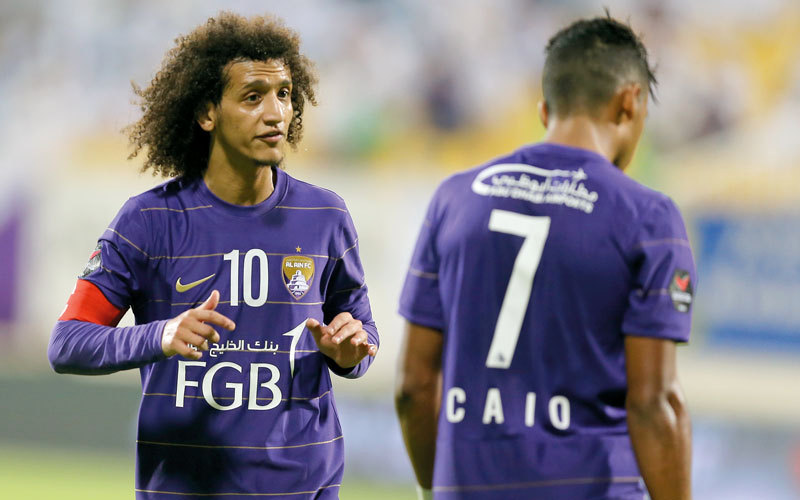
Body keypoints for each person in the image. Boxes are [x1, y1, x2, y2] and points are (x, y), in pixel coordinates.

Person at [48, 13, 379, 499]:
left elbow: (362, 332)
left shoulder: (325, 215)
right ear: (207, 114)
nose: (276, 113)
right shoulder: (149, 221)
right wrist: (161, 335)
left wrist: (351, 354)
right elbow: (67, 342)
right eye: (253, 96)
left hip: (303, 487)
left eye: (284, 94)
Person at [396, 15, 693, 500]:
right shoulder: (648, 218)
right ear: (630, 102)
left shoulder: (453, 199)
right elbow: (653, 403)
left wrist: (435, 489)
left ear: (544, 109)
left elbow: (413, 386)